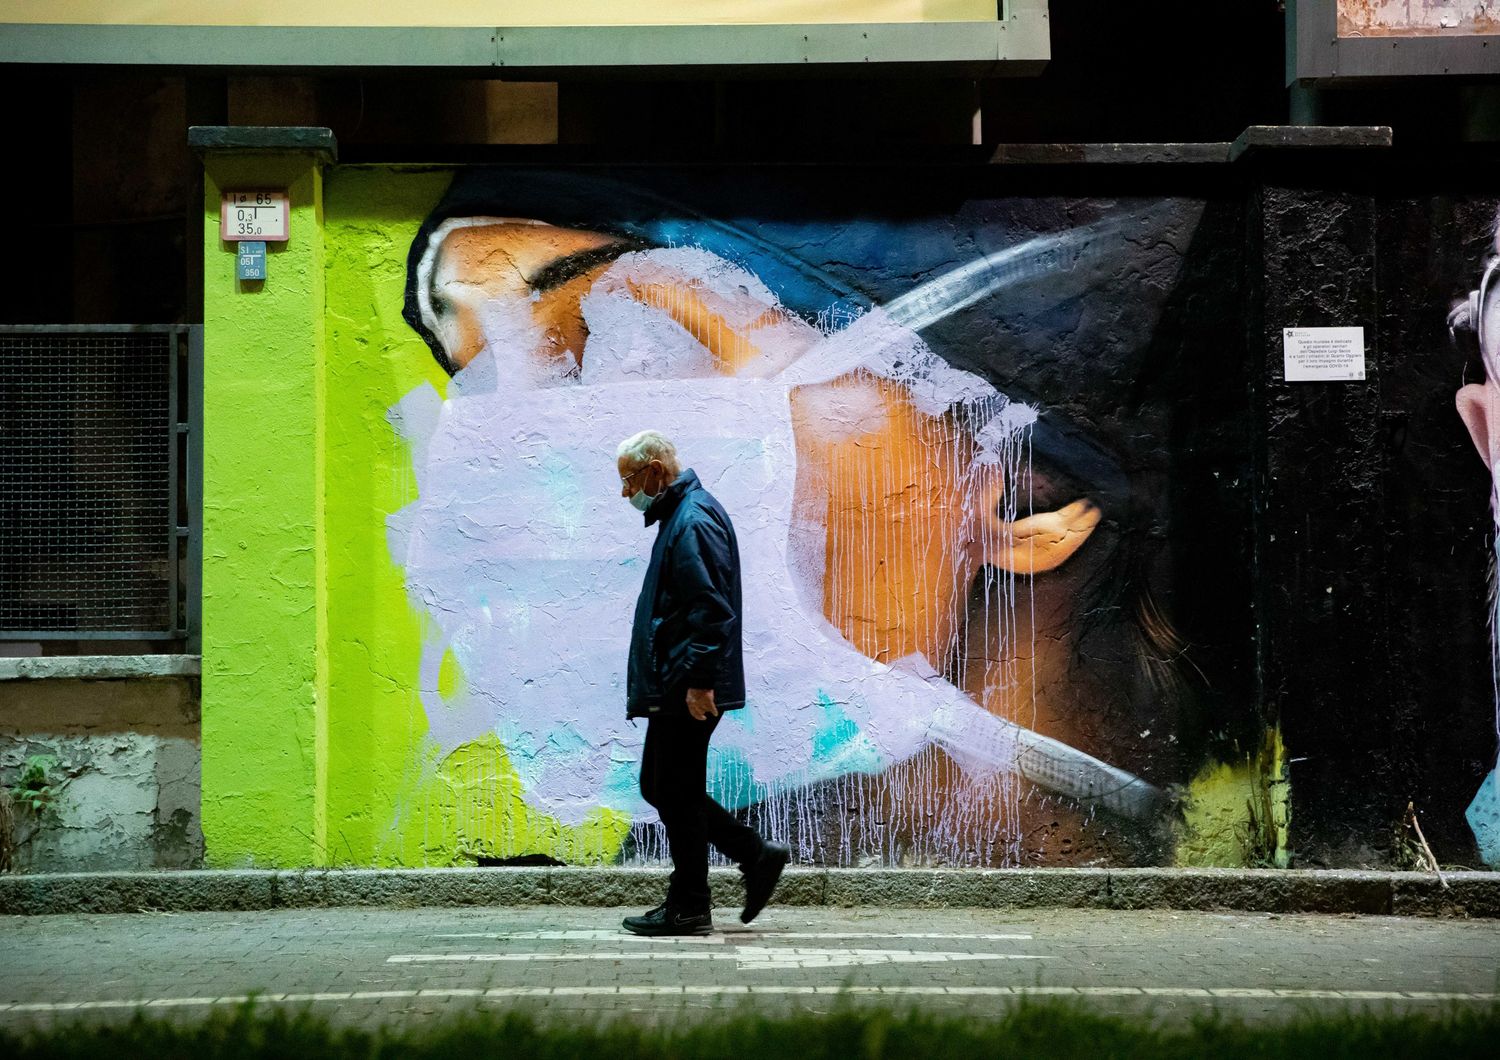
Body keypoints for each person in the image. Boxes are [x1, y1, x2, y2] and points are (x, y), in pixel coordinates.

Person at [615, 429, 791, 935]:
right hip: (679, 681)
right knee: (666, 786)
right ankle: (751, 856)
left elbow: (711, 610)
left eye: (629, 481)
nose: (626, 494)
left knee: (673, 789)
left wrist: (698, 682)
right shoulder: (682, 517)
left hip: (687, 686)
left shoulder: (692, 521)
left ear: (653, 471)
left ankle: (692, 903)